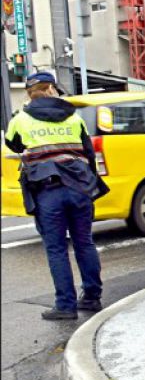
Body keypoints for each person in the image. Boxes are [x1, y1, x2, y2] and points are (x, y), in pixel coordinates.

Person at [4, 72, 109, 320]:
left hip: (48, 191)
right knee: (84, 242)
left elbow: (13, 145)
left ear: (30, 93)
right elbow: (88, 153)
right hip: (79, 188)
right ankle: (92, 297)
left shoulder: (21, 119)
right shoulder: (74, 117)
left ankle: (65, 305)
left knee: (57, 249)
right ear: (52, 88)